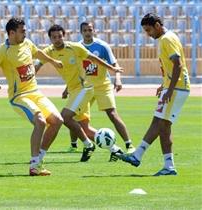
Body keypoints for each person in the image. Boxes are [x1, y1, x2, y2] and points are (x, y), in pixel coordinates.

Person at [0, 18, 63, 176]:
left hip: (35, 92)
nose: (25, 33)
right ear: (11, 33)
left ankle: (39, 159)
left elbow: (38, 52)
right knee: (40, 121)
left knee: (57, 121)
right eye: (22, 31)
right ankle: (34, 166)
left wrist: (53, 61)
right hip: (18, 97)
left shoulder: (27, 43)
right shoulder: (3, 52)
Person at [36, 24, 124, 162]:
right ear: (50, 39)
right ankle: (116, 150)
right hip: (74, 91)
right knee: (85, 128)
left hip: (84, 89)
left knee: (64, 117)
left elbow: (94, 59)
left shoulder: (74, 47)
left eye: (59, 36)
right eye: (54, 37)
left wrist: (112, 68)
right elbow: (38, 64)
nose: (57, 39)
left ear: (63, 36)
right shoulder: (48, 51)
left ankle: (88, 145)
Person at [116, 13, 190, 176]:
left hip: (177, 88)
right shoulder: (168, 37)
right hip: (175, 87)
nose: (148, 34)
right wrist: (163, 85)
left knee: (159, 122)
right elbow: (172, 68)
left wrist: (169, 89)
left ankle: (138, 155)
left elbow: (177, 65)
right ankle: (168, 167)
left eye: (149, 30)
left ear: (157, 25)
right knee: (163, 126)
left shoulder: (166, 39)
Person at [63, 22, 135, 155]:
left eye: (90, 30)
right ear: (81, 32)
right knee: (75, 115)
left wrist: (118, 79)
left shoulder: (102, 46)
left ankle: (128, 144)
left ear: (94, 30)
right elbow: (76, 71)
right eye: (85, 30)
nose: (87, 32)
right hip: (85, 88)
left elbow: (114, 64)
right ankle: (73, 145)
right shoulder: (77, 48)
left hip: (103, 85)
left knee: (112, 114)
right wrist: (67, 88)